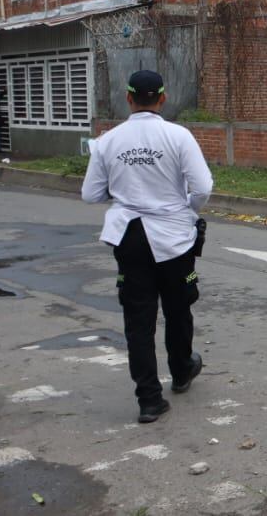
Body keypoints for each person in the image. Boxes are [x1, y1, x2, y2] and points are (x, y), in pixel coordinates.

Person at [81, 70, 213, 423]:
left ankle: (149, 400)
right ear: (162, 97)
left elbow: (90, 193)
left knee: (137, 320)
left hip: (129, 235)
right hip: (173, 236)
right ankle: (182, 370)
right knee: (179, 307)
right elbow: (201, 187)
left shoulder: (108, 141)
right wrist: (183, 208)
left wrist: (127, 195)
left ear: (128, 98)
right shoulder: (177, 136)